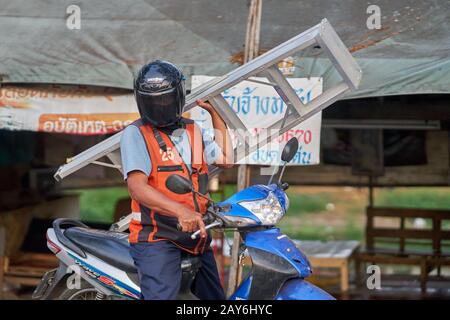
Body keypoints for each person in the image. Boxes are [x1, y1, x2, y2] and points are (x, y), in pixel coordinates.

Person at [120, 60, 233, 300]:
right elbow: (137, 187)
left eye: (165, 99)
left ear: (179, 96)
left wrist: (216, 114)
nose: (160, 105)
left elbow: (226, 159)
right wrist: (180, 211)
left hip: (195, 234)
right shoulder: (136, 133)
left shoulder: (193, 130)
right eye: (153, 100)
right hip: (156, 238)